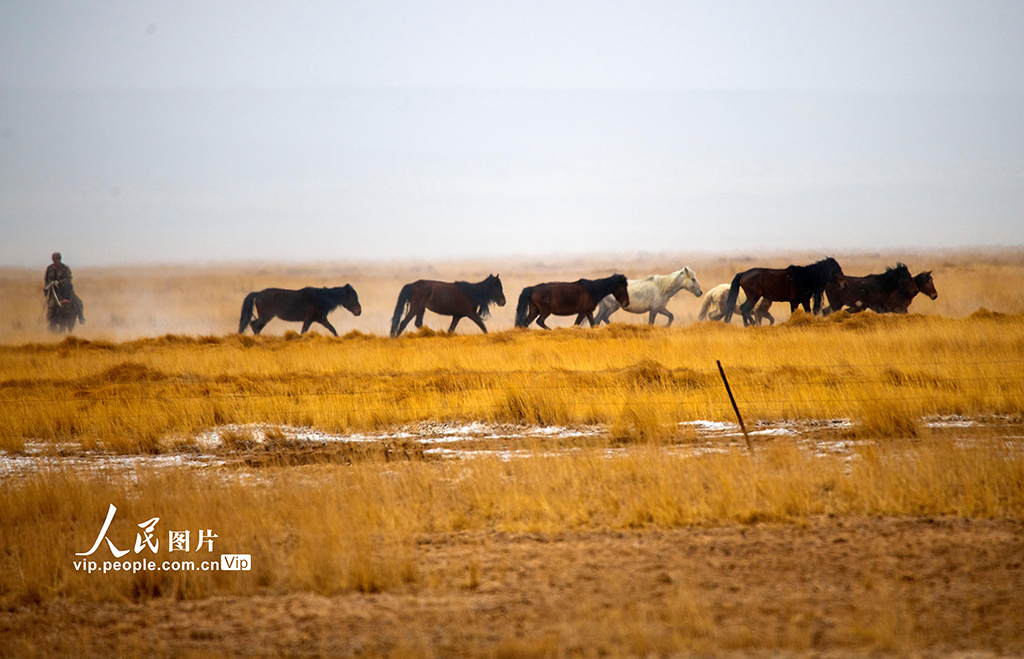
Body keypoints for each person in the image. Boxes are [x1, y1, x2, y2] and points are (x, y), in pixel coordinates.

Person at [44, 252, 85, 323]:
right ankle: (51, 321)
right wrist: (48, 287)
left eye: (58, 259)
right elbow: (47, 280)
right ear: (53, 260)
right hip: (55, 292)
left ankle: (81, 317)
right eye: (55, 259)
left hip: (66, 290)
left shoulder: (65, 268)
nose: (57, 261)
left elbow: (69, 278)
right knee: (51, 305)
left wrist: (60, 282)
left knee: (78, 302)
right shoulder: (49, 269)